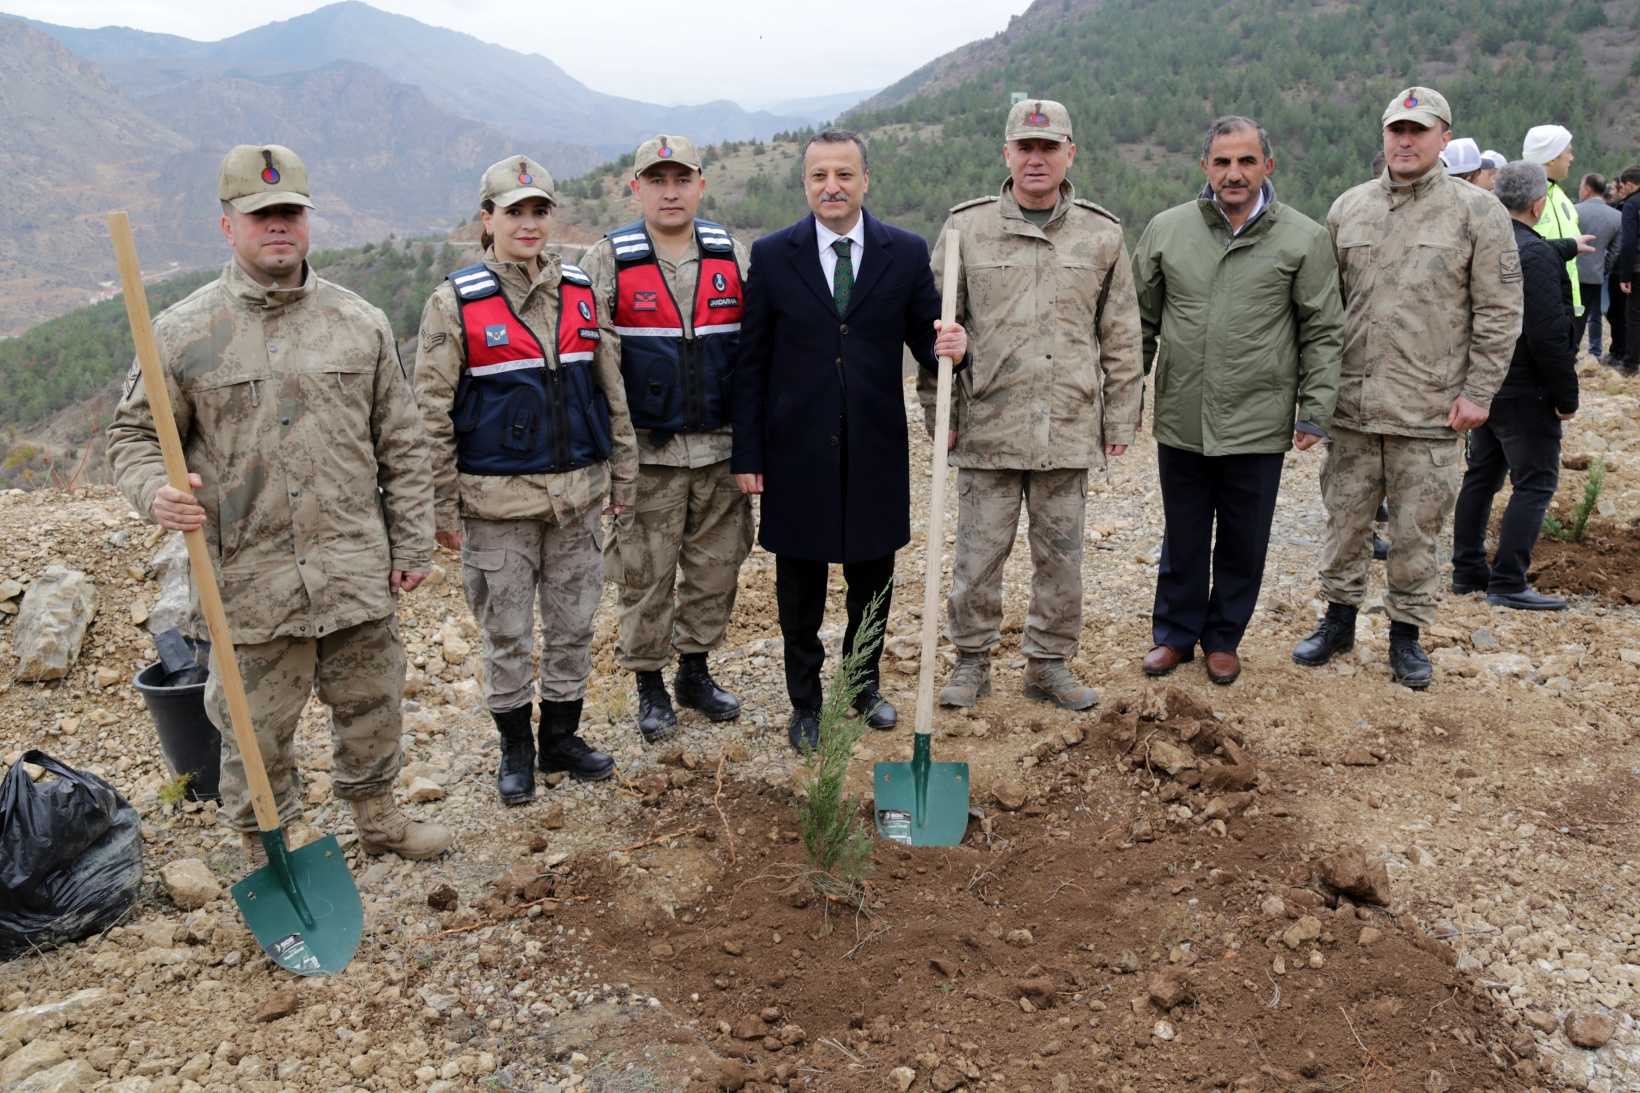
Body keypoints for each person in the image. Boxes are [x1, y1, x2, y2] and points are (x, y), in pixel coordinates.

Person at [107, 144, 451, 862]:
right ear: (226, 225)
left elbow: (403, 439)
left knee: (372, 706)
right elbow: (135, 437)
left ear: (307, 220)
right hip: (249, 577)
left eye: (290, 211)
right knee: (253, 728)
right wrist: (156, 493)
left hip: (354, 563)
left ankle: (381, 822)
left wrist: (413, 542)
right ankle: (268, 850)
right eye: (260, 214)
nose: (277, 226)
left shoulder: (360, 323)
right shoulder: (181, 333)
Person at [731, 127, 967, 751]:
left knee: (872, 580)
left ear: (865, 179)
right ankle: (805, 704)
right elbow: (751, 363)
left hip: (875, 450)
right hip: (795, 453)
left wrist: (953, 346)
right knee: (800, 587)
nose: (831, 187)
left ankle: (861, 687)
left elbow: (927, 340)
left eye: (843, 175)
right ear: (804, 183)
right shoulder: (775, 254)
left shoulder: (905, 252)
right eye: (818, 176)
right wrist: (748, 453)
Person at [414, 156, 635, 804]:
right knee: (507, 634)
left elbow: (608, 390)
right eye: (515, 211)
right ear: (488, 219)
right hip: (496, 505)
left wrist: (624, 476)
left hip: (578, 498)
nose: (530, 222)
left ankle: (563, 738)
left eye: (539, 210)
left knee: (573, 625)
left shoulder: (578, 291)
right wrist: (442, 510)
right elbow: (429, 412)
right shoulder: (455, 302)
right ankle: (516, 749)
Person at [1293, 87, 1522, 689]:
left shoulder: (1477, 212)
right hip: (1352, 408)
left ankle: (1406, 636)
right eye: (1397, 129)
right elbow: (1320, 310)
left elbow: (1500, 311)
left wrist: (1480, 391)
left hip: (1431, 409)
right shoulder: (1348, 208)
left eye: (1419, 130)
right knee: (1345, 523)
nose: (1405, 140)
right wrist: (1312, 396)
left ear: (1444, 138)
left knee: (1417, 531)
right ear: (1385, 136)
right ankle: (1337, 622)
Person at [924, 99, 1142, 712]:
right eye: (1025, 147)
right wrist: (935, 411)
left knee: (1061, 560)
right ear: (1008, 154)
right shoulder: (965, 229)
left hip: (1068, 425)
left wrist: (1121, 416)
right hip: (987, 424)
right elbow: (935, 329)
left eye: (1049, 148)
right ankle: (971, 662)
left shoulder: (1103, 234)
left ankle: (1048, 663)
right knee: (977, 556)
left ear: (1070, 153)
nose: (1037, 158)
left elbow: (1122, 334)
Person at [1132, 117, 1343, 684]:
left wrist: (1315, 409)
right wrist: (1128, 397)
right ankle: (1175, 635)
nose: (1234, 173)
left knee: (1245, 539)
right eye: (1222, 161)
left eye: (1246, 161)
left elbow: (1322, 330)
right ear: (1205, 166)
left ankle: (1223, 637)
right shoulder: (1168, 230)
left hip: (1259, 416)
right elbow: (1140, 323)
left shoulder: (1302, 238)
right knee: (1184, 535)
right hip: (1182, 413)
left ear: (1267, 167)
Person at [580, 135, 753, 745]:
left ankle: (695, 674)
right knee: (644, 576)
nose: (670, 191)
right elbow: (588, 366)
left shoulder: (732, 254)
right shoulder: (607, 260)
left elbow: (758, 354)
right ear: (636, 188)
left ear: (701, 184)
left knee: (715, 571)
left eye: (682, 179)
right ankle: (649, 687)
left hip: (721, 450)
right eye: (657, 180)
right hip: (645, 458)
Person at [1451, 161, 1584, 611]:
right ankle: (1508, 581)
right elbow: (1548, 334)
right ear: (1539, 203)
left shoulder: (1486, 242)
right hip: (1527, 389)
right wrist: (1567, 396)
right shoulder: (1535, 253)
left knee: (1483, 475)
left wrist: (1567, 247)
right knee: (1536, 481)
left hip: (1484, 383)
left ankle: (1467, 569)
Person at [1522, 125, 1583, 319]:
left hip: (1565, 306)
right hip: (1538, 309)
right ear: (1551, 157)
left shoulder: (1560, 196)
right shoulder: (1521, 197)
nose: (1571, 158)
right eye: (1568, 152)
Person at [1574, 171, 1619, 359]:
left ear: (1587, 189)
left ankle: (1570, 352)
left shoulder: (1574, 210)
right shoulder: (1617, 216)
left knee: (1569, 316)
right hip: (1595, 274)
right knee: (1591, 316)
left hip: (1571, 273)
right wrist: (1602, 268)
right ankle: (1595, 352)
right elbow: (1616, 250)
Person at [1615, 166, 1640, 377]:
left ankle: (1631, 364)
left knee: (1634, 317)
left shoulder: (1632, 204)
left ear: (1630, 184)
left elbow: (1629, 242)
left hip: (1638, 270)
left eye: (1623, 187)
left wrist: (1625, 276)